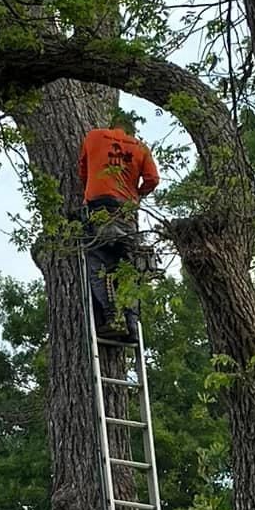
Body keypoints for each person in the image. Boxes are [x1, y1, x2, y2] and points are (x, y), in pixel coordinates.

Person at [79, 121, 159, 344]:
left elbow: (83, 172)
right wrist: (136, 194)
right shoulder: (140, 147)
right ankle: (132, 324)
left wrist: (94, 186)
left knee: (99, 262)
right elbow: (153, 179)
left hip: (100, 208)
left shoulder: (94, 136)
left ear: (113, 126)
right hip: (127, 212)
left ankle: (114, 319)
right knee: (127, 267)